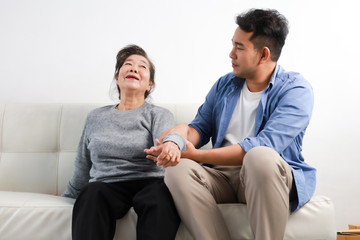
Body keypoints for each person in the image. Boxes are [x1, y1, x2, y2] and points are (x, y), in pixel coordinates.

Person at [145, 8, 316, 240]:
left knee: (259, 156)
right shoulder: (225, 85)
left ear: (264, 54)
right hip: (222, 178)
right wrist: (175, 144)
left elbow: (262, 146)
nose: (231, 54)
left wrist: (196, 156)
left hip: (264, 176)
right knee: (177, 170)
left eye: (239, 47)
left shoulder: (296, 90)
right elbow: (198, 128)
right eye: (232, 45)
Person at [62, 44, 183, 240]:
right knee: (91, 194)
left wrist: (166, 147)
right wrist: (70, 193)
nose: (134, 68)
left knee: (160, 198)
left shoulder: (158, 114)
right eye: (128, 64)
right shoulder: (95, 116)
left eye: (142, 66)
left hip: (150, 182)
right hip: (107, 184)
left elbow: (167, 140)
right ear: (118, 78)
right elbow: (83, 163)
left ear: (149, 84)